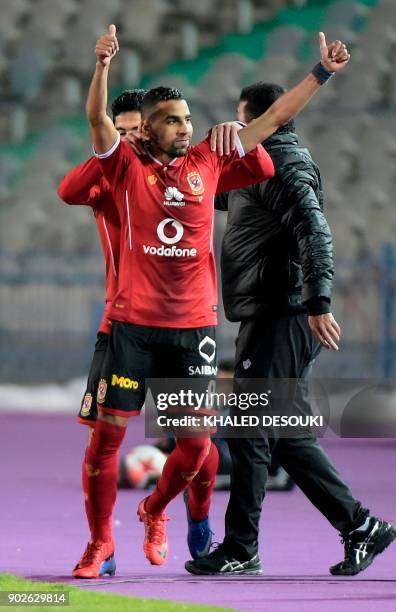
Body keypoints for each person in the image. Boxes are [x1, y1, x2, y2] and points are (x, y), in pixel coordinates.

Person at [72, 22, 350, 579]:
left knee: (197, 447)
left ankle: (154, 509)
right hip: (132, 329)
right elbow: (99, 122)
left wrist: (321, 73)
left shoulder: (208, 160)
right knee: (107, 441)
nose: (185, 126)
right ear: (147, 131)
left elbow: (272, 121)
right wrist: (102, 66)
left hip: (191, 332)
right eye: (172, 120)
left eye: (188, 118)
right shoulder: (126, 164)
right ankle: (99, 544)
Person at [185, 82, 396, 577]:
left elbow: (313, 227)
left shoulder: (282, 163)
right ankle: (360, 526)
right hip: (267, 310)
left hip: (283, 313)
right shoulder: (249, 167)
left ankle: (241, 548)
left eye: (241, 120)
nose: (235, 130)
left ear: (259, 119)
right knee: (283, 432)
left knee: (250, 428)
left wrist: (317, 300)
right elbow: (203, 191)